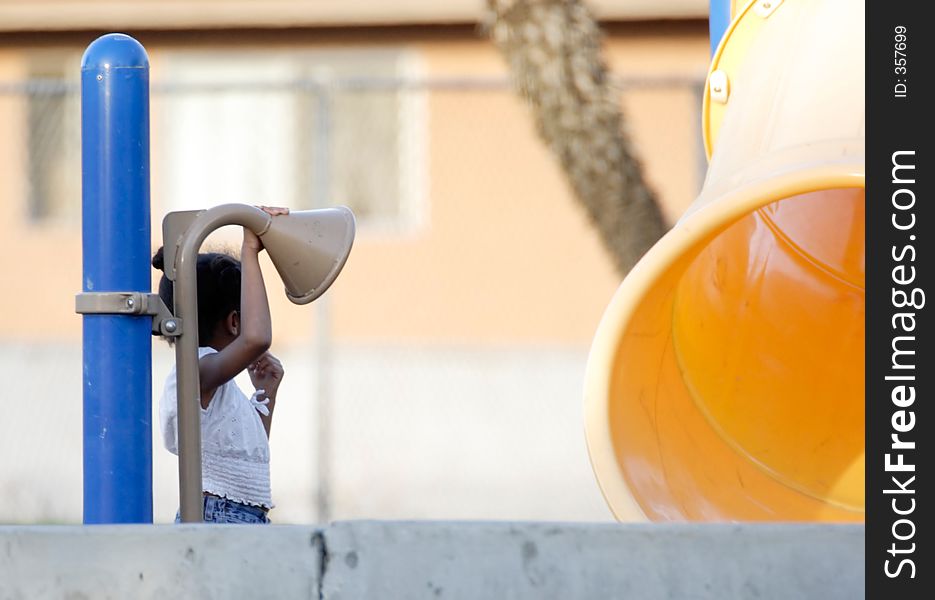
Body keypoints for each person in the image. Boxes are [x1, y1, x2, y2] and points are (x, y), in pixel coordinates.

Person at [152, 205, 289, 524]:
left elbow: (246, 451)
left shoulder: (216, 384)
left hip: (239, 514)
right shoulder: (196, 370)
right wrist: (251, 249)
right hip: (218, 515)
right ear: (235, 321)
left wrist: (266, 391)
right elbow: (258, 338)